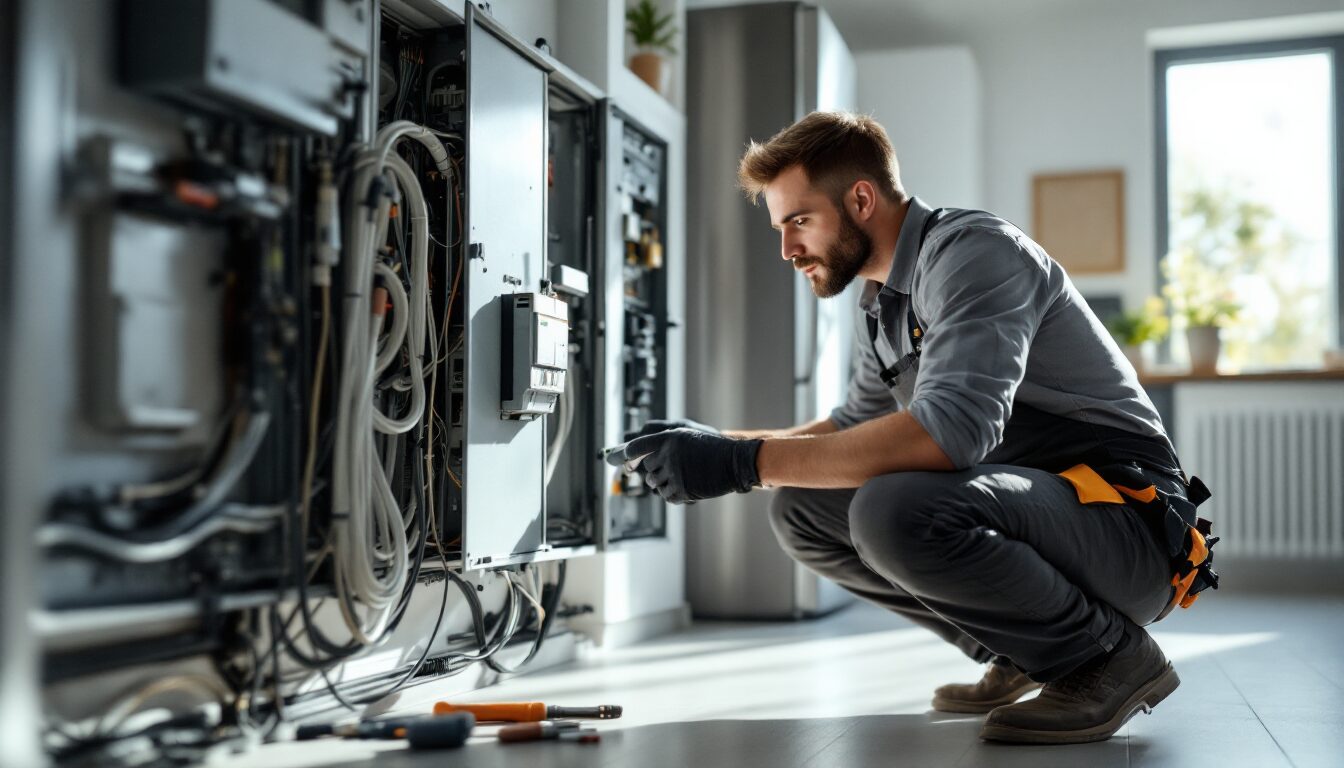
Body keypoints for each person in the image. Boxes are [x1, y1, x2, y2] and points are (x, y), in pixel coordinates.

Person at [606, 111, 1211, 744]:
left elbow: (949, 436)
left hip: (1128, 525)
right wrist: (714, 443)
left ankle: (1106, 657)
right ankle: (1024, 650)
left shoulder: (974, 252)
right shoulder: (883, 305)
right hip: (1047, 508)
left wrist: (739, 465)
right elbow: (849, 426)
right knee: (803, 509)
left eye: (799, 222)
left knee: (895, 508)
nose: (787, 250)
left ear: (861, 199)